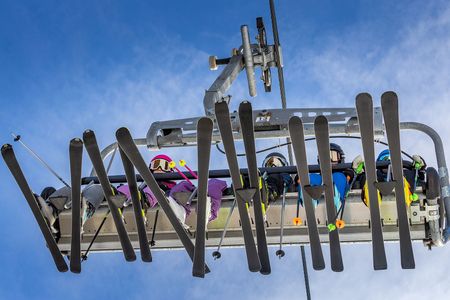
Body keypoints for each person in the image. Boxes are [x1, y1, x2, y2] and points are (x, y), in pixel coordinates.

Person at [117, 154, 228, 227]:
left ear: (170, 170)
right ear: (151, 168)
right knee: (133, 187)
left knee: (212, 183)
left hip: (175, 199)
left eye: (164, 165)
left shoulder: (177, 186)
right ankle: (118, 195)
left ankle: (207, 211)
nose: (159, 168)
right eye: (156, 164)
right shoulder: (145, 185)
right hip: (148, 194)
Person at [360, 149, 426, 207]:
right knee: (369, 179)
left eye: (392, 159)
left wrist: (420, 168)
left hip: (405, 195)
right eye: (385, 158)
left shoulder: (408, 175)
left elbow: (420, 179)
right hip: (377, 194)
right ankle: (373, 203)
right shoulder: (374, 175)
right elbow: (358, 181)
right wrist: (358, 171)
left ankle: (403, 202)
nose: (388, 161)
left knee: (402, 177)